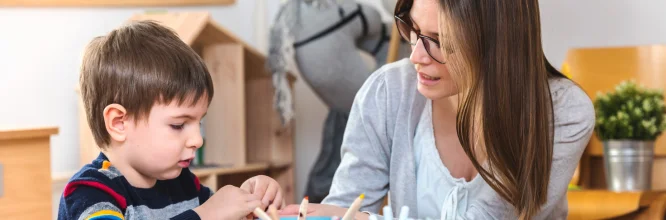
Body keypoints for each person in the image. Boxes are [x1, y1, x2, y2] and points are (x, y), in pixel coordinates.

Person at [280, 0, 595, 219]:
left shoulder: (562, 112)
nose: (416, 55)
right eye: (414, 30)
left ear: (498, 42)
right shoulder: (387, 92)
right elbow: (346, 210)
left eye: (440, 41)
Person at [58, 21, 284, 220]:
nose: (197, 140)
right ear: (119, 123)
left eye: (199, 123)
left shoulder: (184, 184)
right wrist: (205, 215)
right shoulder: (89, 193)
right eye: (178, 125)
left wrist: (248, 206)